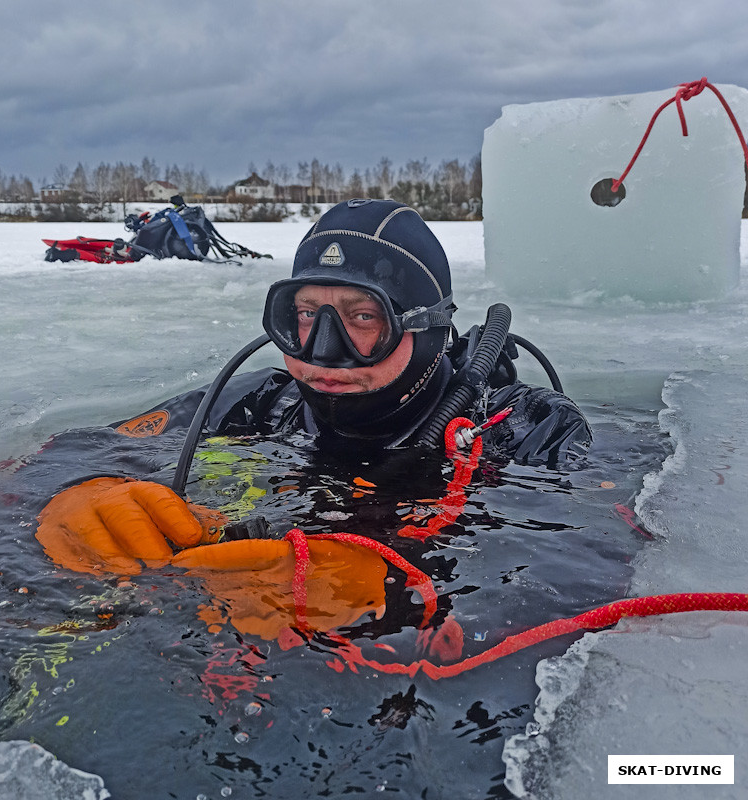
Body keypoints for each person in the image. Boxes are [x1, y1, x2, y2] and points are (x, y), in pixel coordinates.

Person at [35, 198, 591, 583]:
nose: (322, 351)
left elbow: (588, 571)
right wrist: (79, 490)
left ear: (428, 328)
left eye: (364, 317)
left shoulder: (526, 428)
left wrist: (399, 582)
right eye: (305, 315)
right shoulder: (258, 405)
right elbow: (68, 453)